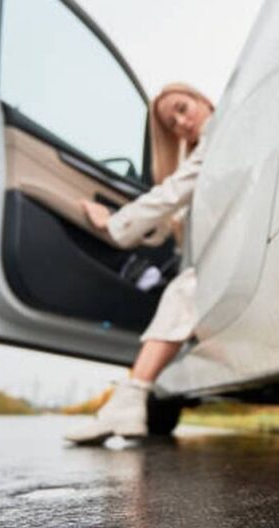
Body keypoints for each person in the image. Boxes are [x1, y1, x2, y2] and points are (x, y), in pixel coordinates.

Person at [64, 83, 215, 444]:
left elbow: (171, 194)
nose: (182, 123)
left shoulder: (218, 132)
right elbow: (170, 218)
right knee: (181, 290)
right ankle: (128, 402)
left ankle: (127, 402)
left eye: (183, 108)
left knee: (184, 290)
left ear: (202, 99)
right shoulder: (199, 154)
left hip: (231, 253)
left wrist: (113, 224)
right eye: (172, 124)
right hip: (212, 260)